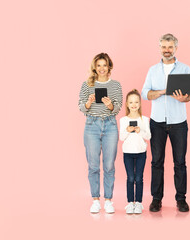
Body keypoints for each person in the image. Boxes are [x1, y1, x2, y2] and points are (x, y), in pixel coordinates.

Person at [141, 33, 190, 212]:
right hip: (157, 122)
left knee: (180, 162)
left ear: (176, 48)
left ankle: (181, 199)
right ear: (160, 48)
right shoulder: (153, 70)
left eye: (170, 47)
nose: (167, 50)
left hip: (179, 122)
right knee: (157, 162)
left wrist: (183, 98)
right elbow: (145, 93)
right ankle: (156, 199)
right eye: (164, 47)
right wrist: (164, 91)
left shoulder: (185, 69)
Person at [79, 53, 123, 214]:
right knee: (93, 165)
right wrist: (89, 102)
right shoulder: (86, 85)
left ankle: (109, 200)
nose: (102, 68)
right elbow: (81, 107)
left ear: (109, 66)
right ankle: (95, 200)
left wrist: (110, 105)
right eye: (99, 65)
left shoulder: (116, 85)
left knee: (109, 165)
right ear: (95, 67)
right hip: (92, 125)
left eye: (105, 65)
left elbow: (118, 107)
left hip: (110, 124)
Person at [119, 89, 151, 214]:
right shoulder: (123, 120)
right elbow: (121, 138)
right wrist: (128, 130)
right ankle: (130, 203)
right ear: (127, 104)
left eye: (136, 102)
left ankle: (138, 203)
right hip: (127, 153)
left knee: (139, 178)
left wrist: (140, 131)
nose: (134, 105)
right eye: (131, 102)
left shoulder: (145, 119)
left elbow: (148, 136)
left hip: (141, 153)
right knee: (130, 178)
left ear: (140, 104)